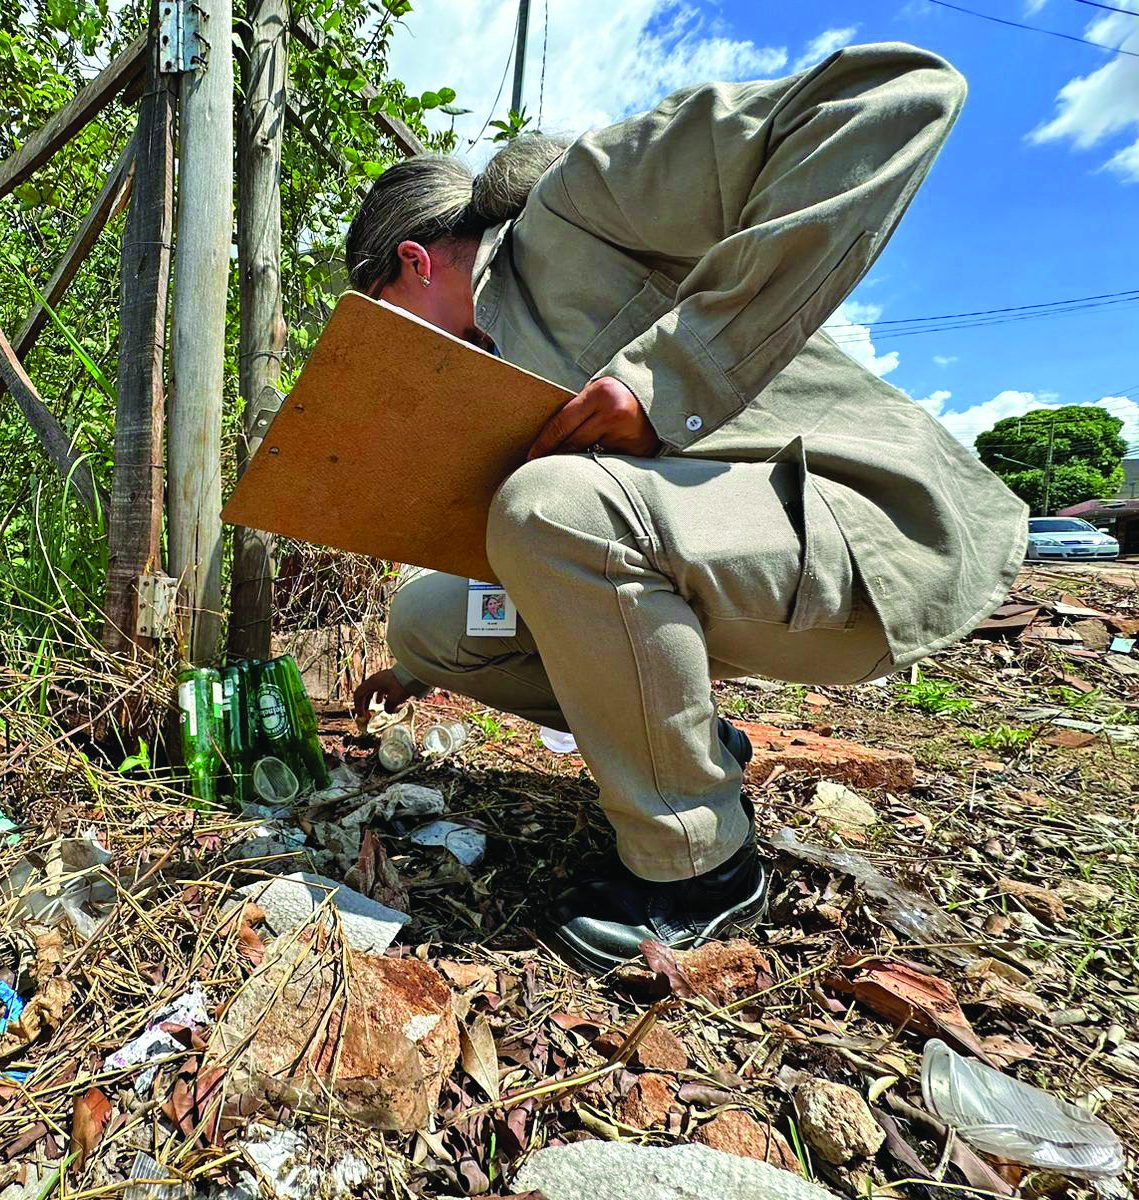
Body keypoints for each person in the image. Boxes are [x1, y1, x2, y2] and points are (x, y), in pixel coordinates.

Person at [346, 43, 1028, 971]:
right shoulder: (491, 361)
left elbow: (895, 94)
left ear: (412, 263)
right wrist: (420, 664)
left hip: (861, 531)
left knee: (550, 506)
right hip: (712, 563)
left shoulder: (576, 205)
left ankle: (701, 868)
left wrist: (669, 379)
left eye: (383, 320)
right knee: (427, 618)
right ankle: (691, 746)